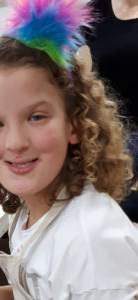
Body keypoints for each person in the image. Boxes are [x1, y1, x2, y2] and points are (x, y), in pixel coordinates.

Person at [0, 0, 138, 299]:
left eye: (36, 117)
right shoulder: (31, 209)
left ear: (73, 125)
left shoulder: (90, 245)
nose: (16, 142)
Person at [84, 0, 138, 222]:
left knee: (104, 204)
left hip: (132, 134)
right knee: (90, 200)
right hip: (108, 128)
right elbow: (59, 51)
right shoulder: (96, 10)